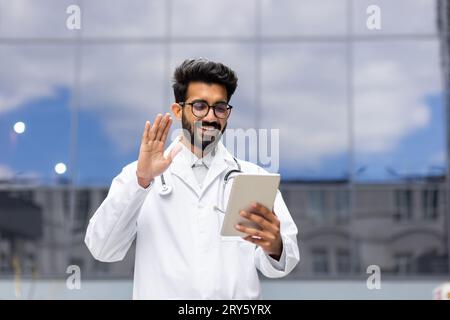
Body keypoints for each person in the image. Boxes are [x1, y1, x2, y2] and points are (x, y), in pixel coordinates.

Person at [85, 58, 299, 299]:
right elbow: (102, 249)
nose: (210, 117)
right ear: (178, 110)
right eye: (199, 106)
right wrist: (142, 181)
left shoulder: (254, 178)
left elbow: (283, 262)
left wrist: (275, 247)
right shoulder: (139, 177)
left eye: (220, 108)